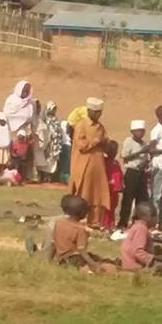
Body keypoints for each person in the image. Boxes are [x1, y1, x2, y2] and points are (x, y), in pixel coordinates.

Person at [69, 97, 110, 229]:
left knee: (97, 195)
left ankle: (95, 222)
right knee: (84, 193)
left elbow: (106, 143)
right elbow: (82, 145)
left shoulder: (101, 127)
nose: (98, 115)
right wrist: (95, 142)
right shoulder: (81, 125)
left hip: (98, 166)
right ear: (89, 111)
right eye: (96, 112)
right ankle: (80, 219)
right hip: (83, 165)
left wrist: (104, 143)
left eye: (100, 113)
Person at [51, 196, 106, 273]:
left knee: (95, 257)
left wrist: (51, 259)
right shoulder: (80, 229)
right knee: (101, 264)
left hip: (60, 259)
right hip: (74, 259)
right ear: (83, 213)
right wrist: (94, 265)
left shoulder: (59, 223)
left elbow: (54, 243)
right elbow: (82, 251)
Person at [118, 120, 153, 228]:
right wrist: (141, 152)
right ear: (132, 132)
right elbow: (125, 156)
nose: (140, 133)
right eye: (138, 131)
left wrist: (145, 162)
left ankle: (137, 221)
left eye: (142, 131)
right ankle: (123, 222)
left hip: (141, 172)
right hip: (131, 172)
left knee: (141, 198)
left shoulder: (144, 143)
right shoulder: (128, 141)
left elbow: (146, 158)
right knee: (128, 198)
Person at [38, 101, 63, 182]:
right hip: (48, 143)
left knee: (53, 161)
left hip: (55, 144)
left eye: (55, 109)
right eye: (53, 109)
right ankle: (44, 176)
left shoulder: (55, 119)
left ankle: (50, 177)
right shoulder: (44, 119)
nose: (54, 111)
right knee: (47, 160)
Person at [103, 140, 123, 231]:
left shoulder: (116, 162)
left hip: (115, 189)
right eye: (112, 150)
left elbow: (119, 174)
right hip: (107, 188)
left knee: (113, 206)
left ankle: (111, 224)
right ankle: (105, 224)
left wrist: (121, 185)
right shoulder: (103, 162)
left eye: (115, 150)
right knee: (106, 207)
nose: (114, 153)